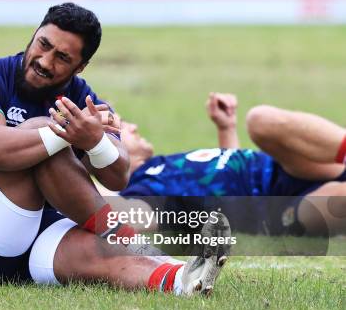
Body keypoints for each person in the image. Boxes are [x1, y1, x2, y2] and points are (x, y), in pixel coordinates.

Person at [0, 2, 229, 296]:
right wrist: (67, 135)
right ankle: (128, 238)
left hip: (33, 239)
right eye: (43, 44)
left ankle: (179, 279)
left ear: (80, 66)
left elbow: (118, 175)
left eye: (62, 57)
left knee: (99, 252)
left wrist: (94, 141)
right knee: (45, 131)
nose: (45, 61)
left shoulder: (82, 98)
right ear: (34, 34)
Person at [113, 92, 346, 236]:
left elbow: (230, 174)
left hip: (286, 167)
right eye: (122, 126)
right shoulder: (143, 193)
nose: (133, 126)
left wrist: (226, 129)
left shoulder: (160, 164)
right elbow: (117, 216)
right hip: (280, 210)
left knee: (260, 119)